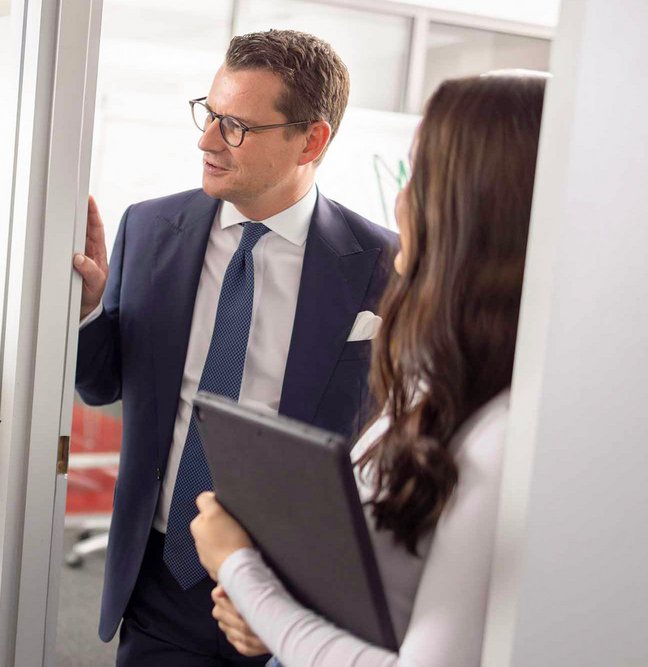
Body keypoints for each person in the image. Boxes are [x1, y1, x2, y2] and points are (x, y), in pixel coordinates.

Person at [190, 71, 548, 666]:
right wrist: (275, 616)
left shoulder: (505, 434)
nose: (401, 197)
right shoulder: (438, 384)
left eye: (417, 174)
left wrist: (239, 568)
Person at [73, 30, 398, 665]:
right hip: (163, 575)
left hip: (300, 593)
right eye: (209, 114)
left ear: (312, 139)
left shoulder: (383, 265)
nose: (206, 140)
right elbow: (102, 384)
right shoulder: (150, 227)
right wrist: (86, 312)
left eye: (236, 127)